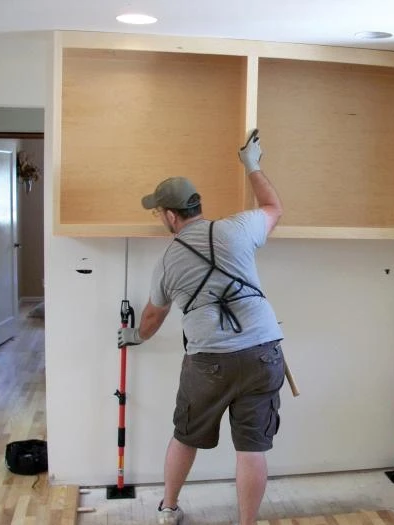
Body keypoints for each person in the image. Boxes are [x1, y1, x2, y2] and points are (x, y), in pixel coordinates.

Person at [117, 131, 285, 525]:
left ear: (170, 216)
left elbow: (152, 318)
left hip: (209, 361)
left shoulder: (168, 260)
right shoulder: (238, 228)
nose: (159, 219)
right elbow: (273, 207)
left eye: (158, 213)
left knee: (186, 435)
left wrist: (135, 336)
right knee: (252, 448)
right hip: (263, 351)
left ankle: (168, 509)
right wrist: (252, 164)